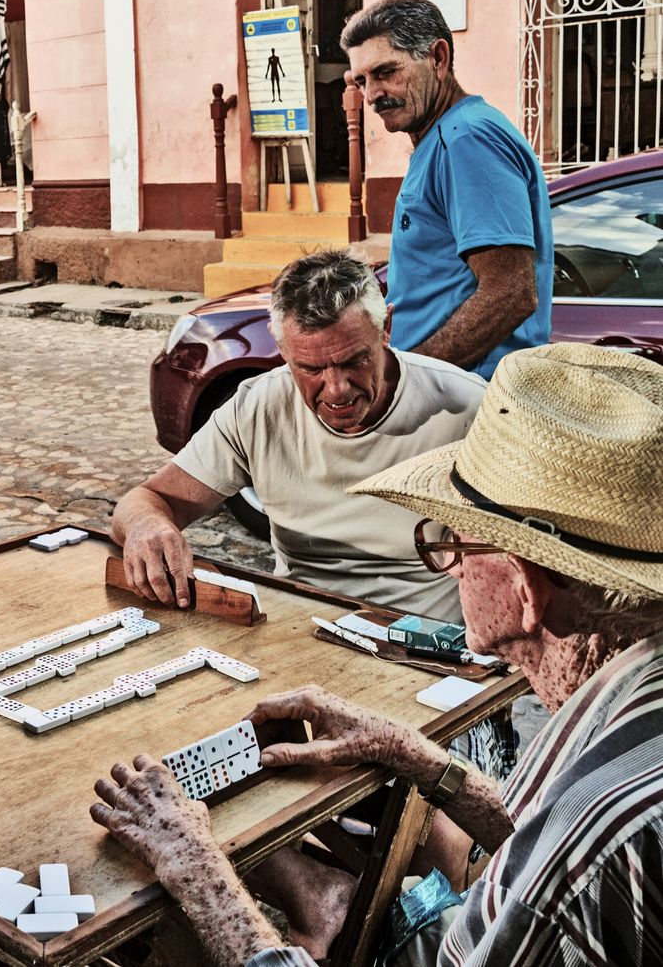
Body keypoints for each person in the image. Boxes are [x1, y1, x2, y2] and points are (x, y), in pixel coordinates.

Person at [91, 343, 663, 965]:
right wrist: (413, 754)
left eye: (449, 543)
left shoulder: (590, 840)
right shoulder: (623, 714)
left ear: (525, 589)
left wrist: (202, 878)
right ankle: (321, 896)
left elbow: (562, 860)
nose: (447, 568)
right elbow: (538, 846)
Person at [113, 250, 484, 620]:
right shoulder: (256, 407)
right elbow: (147, 499)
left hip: (428, 638)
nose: (336, 389)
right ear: (280, 345)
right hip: (300, 629)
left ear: (386, 327)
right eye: (310, 368)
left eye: (354, 360)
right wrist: (147, 524)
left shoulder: (466, 407)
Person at [341, 0, 552, 378]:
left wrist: (404, 380)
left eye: (386, 72)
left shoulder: (466, 138)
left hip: (465, 401)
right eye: (362, 80)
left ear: (438, 58)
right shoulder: (445, 135)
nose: (371, 95)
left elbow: (510, 294)